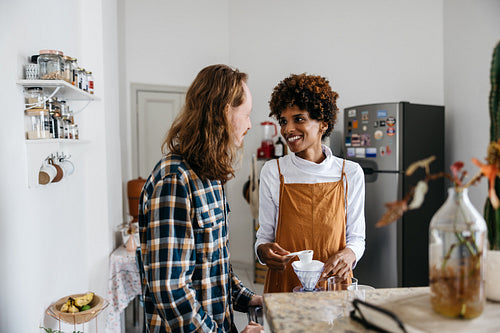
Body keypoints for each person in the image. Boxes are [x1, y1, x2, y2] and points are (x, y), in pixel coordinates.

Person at [138, 64, 263, 332]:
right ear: (225, 111)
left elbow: (214, 265)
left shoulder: (211, 175)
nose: (250, 124)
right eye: (247, 114)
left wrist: (248, 298)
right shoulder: (175, 180)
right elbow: (171, 290)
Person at [255, 73, 366, 293]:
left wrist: (350, 253)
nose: (287, 129)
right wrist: (263, 252)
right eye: (284, 121)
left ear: (323, 124)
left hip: (334, 284)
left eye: (299, 119)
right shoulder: (273, 171)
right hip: (285, 285)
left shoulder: (349, 173)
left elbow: (357, 238)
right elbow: (263, 238)